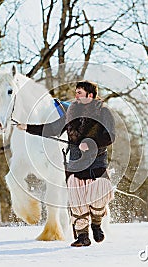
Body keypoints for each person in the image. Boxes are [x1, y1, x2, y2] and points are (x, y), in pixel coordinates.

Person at [16, 81, 116, 247]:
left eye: (79, 93)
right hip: (75, 163)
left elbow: (110, 136)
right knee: (78, 201)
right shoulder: (72, 111)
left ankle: (97, 223)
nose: (75, 96)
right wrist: (27, 127)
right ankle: (83, 236)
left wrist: (91, 143)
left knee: (99, 197)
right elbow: (53, 128)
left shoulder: (103, 112)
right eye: (76, 92)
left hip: (97, 163)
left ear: (90, 96)